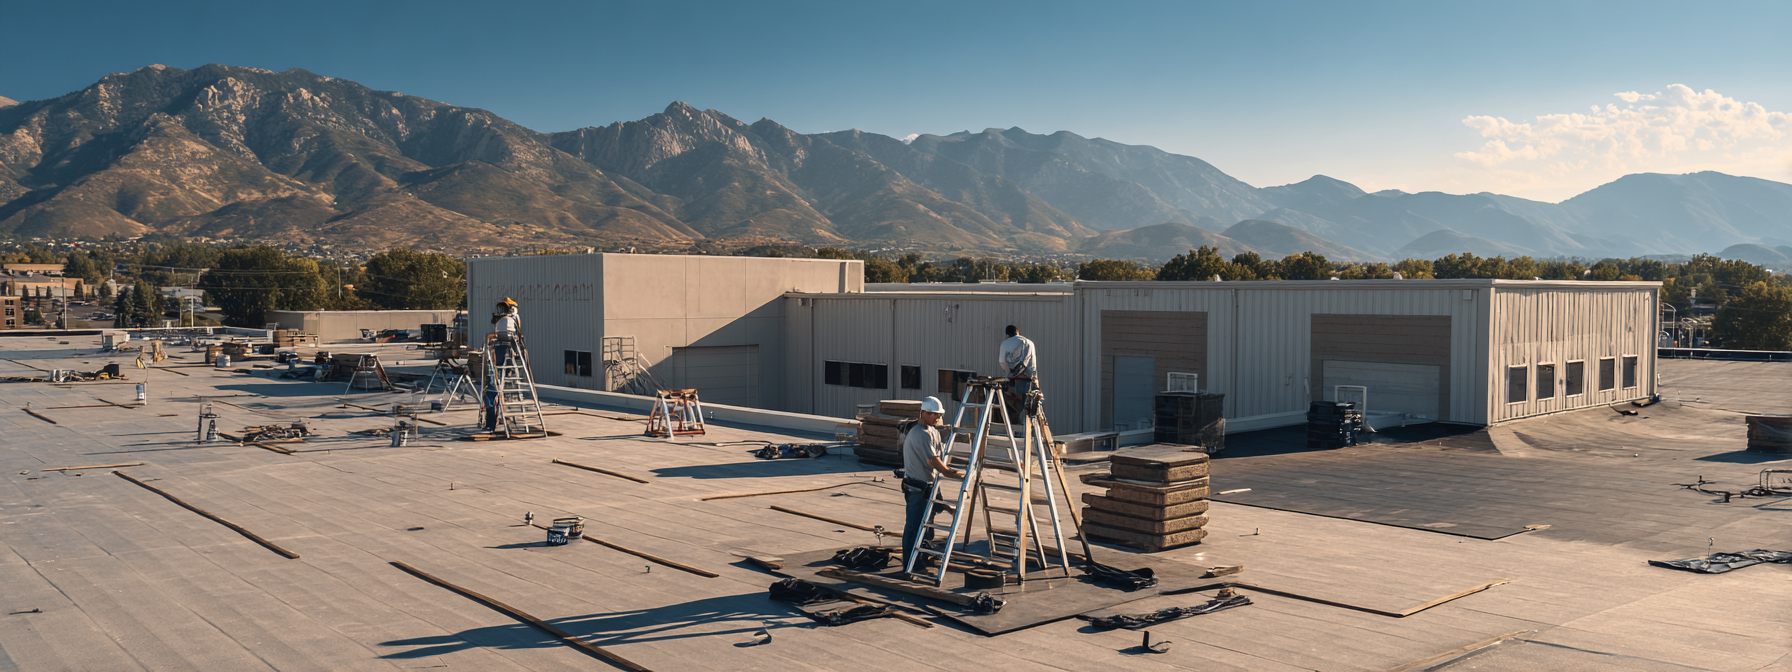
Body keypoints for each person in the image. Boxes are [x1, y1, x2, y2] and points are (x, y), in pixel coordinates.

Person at [901, 396, 963, 571]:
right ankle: (910, 564)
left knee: (928, 527)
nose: (937, 418)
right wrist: (956, 475)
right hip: (916, 488)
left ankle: (923, 559)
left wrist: (948, 507)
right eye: (934, 414)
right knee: (914, 527)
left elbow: (938, 466)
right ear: (924, 413)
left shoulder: (933, 431)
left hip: (929, 486)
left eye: (939, 415)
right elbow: (935, 462)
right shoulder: (920, 433)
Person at [484, 298, 521, 431]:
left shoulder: (512, 318)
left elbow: (517, 333)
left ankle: (502, 420)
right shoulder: (503, 319)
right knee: (494, 386)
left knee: (501, 384)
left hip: (507, 347)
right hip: (502, 347)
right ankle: (493, 420)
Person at [999, 324, 1037, 397]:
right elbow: (1032, 363)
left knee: (1011, 403)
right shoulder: (1029, 342)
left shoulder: (1004, 344)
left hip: (1011, 380)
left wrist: (1008, 370)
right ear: (1017, 332)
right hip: (1028, 378)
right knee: (1028, 402)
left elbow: (1002, 361)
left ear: (1007, 334)